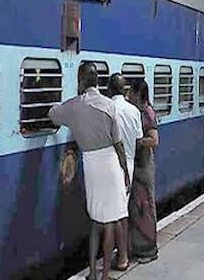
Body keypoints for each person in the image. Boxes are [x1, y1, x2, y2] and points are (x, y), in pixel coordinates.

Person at [49, 63, 130, 280]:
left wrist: (60, 106)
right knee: (109, 223)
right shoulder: (109, 105)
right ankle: (105, 276)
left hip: (91, 165)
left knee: (95, 222)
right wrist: (125, 171)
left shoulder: (73, 106)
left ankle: (92, 273)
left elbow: (53, 114)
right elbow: (119, 144)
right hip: (110, 164)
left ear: (81, 81)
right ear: (97, 81)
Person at [107, 74, 143, 271]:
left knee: (114, 215)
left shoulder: (107, 109)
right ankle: (121, 254)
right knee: (121, 211)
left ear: (109, 90)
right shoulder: (133, 111)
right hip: (129, 163)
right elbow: (138, 139)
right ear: (125, 90)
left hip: (109, 164)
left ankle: (121, 257)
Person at [127, 80, 159, 263]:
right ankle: (137, 248)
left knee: (145, 206)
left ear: (138, 93)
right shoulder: (137, 111)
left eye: (131, 91)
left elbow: (154, 140)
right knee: (136, 207)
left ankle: (149, 249)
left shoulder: (147, 112)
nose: (128, 95)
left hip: (144, 166)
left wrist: (137, 142)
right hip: (137, 165)